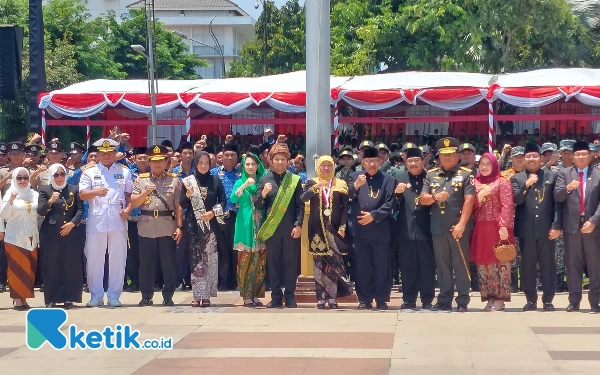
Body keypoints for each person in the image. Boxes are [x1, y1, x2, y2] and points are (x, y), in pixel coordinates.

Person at [420, 137, 475, 312]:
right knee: (442, 266)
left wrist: (462, 224)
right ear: (439, 157)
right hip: (438, 227)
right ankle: (444, 300)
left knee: (460, 264)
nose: (447, 158)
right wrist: (435, 197)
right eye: (444, 155)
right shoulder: (431, 174)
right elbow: (423, 199)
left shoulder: (466, 174)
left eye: (451, 154)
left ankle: (462, 300)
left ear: (458, 155)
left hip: (458, 227)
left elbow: (469, 201)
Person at [79, 139, 133, 308]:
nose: (107, 155)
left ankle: (114, 295)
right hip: (97, 219)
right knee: (94, 258)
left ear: (114, 153)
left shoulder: (124, 171)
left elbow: (130, 194)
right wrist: (96, 192)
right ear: (99, 154)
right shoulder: (89, 172)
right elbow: (82, 194)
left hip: (118, 218)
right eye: (103, 153)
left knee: (118, 258)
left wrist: (129, 209)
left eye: (110, 152)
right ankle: (96, 295)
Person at [511, 143, 561, 312]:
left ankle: (548, 300)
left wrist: (556, 225)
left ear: (541, 158)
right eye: (528, 156)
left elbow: (556, 205)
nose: (531, 159)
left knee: (548, 266)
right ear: (524, 159)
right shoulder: (517, 179)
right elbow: (516, 201)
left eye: (535, 156)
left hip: (547, 230)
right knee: (528, 267)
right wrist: (527, 185)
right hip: (526, 231)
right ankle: (530, 299)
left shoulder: (551, 176)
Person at [131, 145, 182, 307]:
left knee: (168, 263)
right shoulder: (141, 180)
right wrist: (145, 192)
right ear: (149, 162)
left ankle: (168, 295)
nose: (157, 165)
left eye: (160, 161)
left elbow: (179, 205)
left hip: (167, 225)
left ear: (166, 162)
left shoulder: (174, 180)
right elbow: (134, 203)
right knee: (146, 263)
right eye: (154, 161)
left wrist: (179, 227)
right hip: (146, 226)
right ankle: (146, 295)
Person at [255, 142, 304, 308]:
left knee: (290, 263)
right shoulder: (264, 179)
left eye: (283, 159)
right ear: (271, 160)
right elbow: (258, 205)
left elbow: (300, 205)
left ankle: (290, 296)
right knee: (274, 263)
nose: (280, 162)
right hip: (272, 229)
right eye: (277, 159)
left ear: (288, 161)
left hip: (290, 229)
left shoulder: (294, 180)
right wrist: (263, 194)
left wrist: (298, 225)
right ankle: (276, 297)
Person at [554, 141, 600, 313]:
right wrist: (567, 188)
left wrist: (594, 220)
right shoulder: (564, 174)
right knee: (573, 264)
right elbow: (557, 198)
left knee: (595, 265)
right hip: (571, 226)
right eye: (577, 154)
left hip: (593, 226)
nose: (580, 157)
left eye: (584, 154)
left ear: (590, 156)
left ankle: (595, 301)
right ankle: (574, 301)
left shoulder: (598, 174)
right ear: (572, 157)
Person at [301, 155, 352, 309]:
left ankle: (332, 298)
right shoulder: (312, 182)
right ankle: (320, 299)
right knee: (319, 265)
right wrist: (313, 189)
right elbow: (302, 198)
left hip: (334, 230)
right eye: (323, 165)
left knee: (334, 265)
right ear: (318, 167)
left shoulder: (340, 184)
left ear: (333, 166)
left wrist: (343, 227)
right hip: (316, 229)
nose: (326, 168)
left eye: (329, 165)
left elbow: (345, 208)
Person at [348, 146, 395, 310]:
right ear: (362, 162)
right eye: (368, 161)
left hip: (380, 230)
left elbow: (390, 204)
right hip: (360, 231)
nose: (372, 164)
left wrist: (373, 216)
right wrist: (356, 186)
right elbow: (347, 196)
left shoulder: (388, 180)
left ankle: (381, 299)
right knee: (362, 266)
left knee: (382, 266)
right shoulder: (354, 176)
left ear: (380, 161)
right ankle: (364, 299)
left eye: (375, 161)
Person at [180, 151, 226, 307]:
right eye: (201, 162)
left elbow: (224, 201)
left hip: (210, 225)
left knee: (210, 259)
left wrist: (213, 213)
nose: (204, 165)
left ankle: (207, 295)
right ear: (196, 163)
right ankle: (197, 294)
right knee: (196, 259)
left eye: (207, 162)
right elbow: (182, 204)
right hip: (193, 225)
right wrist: (187, 195)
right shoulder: (188, 182)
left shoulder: (216, 180)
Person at [471, 153, 515, 311]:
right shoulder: (474, 182)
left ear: (495, 165)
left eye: (488, 164)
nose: (484, 167)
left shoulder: (502, 182)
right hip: (480, 228)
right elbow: (469, 206)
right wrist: (479, 197)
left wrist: (504, 225)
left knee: (500, 262)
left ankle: (500, 298)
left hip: (498, 228)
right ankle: (489, 296)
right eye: (481, 164)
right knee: (483, 263)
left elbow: (507, 205)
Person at [37, 164, 84, 308]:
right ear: (51, 176)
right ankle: (51, 298)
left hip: (71, 234)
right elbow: (41, 211)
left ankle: (69, 298)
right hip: (51, 234)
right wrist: (50, 201)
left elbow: (80, 210)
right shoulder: (45, 190)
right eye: (56, 175)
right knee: (51, 266)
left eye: (62, 174)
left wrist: (72, 224)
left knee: (70, 266)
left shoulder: (73, 189)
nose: (59, 178)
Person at [394, 147, 435, 310]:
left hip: (427, 229)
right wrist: (397, 193)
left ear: (423, 161)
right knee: (407, 266)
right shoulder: (400, 177)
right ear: (405, 162)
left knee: (427, 266)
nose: (413, 163)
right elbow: (393, 204)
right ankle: (408, 299)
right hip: (406, 229)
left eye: (416, 160)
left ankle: (427, 300)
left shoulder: (430, 177)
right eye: (409, 161)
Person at [230, 152, 267, 307]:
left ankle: (257, 294)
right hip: (245, 225)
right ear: (243, 166)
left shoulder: (264, 181)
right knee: (245, 261)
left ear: (258, 165)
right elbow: (233, 199)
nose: (251, 167)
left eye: (253, 164)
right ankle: (246, 294)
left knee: (259, 261)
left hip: (261, 225)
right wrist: (245, 185)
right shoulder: (240, 182)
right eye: (247, 164)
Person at [0, 168, 40, 310]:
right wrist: (10, 200)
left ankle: (24, 298)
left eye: (25, 178)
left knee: (29, 269)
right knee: (16, 268)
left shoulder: (34, 194)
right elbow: (4, 215)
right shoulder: (9, 193)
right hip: (14, 237)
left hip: (32, 236)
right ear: (15, 179)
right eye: (19, 178)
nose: (22, 181)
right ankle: (17, 299)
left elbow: (40, 210)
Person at [210, 143, 241, 291]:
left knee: (235, 249)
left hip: (237, 217)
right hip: (219, 217)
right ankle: (223, 281)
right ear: (221, 157)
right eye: (226, 155)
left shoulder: (242, 174)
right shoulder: (214, 173)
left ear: (237, 157)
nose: (229, 158)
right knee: (221, 249)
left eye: (232, 155)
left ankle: (235, 280)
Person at [173, 142, 195, 290]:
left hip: (195, 215)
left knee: (194, 249)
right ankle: (182, 279)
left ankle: (193, 279)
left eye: (190, 153)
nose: (187, 156)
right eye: (185, 153)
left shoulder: (197, 170)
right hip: (178, 216)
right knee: (180, 249)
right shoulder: (174, 172)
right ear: (180, 155)